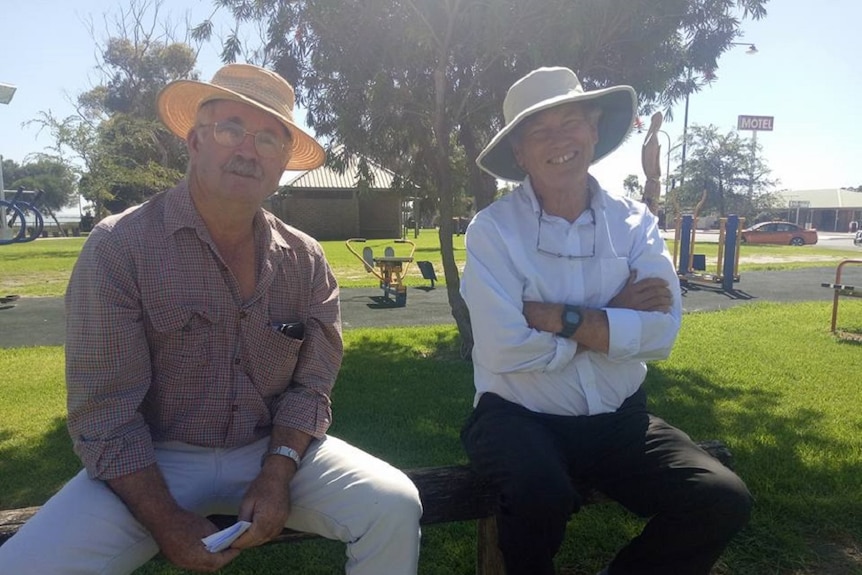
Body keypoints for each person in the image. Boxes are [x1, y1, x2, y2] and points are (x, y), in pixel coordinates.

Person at [0, 63, 422, 575]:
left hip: (271, 450)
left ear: (284, 161)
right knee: (25, 566)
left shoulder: (306, 258)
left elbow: (312, 385)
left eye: (269, 139)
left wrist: (277, 470)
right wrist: (166, 520)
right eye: (230, 129)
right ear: (195, 141)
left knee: (394, 504)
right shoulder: (121, 247)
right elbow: (105, 413)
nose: (248, 150)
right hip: (155, 459)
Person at [459, 66, 752, 575]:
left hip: (620, 420)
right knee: (538, 495)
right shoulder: (492, 232)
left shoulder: (636, 221)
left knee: (719, 496)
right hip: (517, 417)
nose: (559, 141)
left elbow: (661, 335)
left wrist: (557, 319)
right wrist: (613, 319)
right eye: (539, 131)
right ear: (520, 154)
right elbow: (505, 349)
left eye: (570, 122)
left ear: (593, 131)